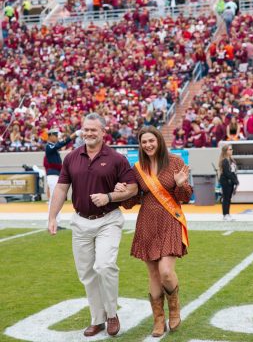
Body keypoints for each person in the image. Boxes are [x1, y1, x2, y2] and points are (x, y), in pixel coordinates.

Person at [48, 113, 138, 337]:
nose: (88, 133)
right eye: (85, 130)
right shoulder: (71, 157)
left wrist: (108, 197)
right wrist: (52, 217)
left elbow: (133, 188)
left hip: (108, 220)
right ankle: (97, 319)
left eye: (93, 130)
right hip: (80, 222)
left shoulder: (116, 158)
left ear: (103, 132)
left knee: (105, 266)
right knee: (87, 274)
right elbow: (61, 189)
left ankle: (111, 314)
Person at [115, 125, 192, 337]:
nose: (148, 145)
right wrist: (123, 192)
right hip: (147, 222)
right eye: (144, 142)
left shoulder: (175, 161)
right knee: (153, 273)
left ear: (159, 141)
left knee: (166, 272)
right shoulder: (138, 169)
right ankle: (158, 320)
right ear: (140, 145)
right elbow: (132, 202)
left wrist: (180, 185)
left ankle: (174, 309)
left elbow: (185, 197)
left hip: (169, 220)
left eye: (151, 140)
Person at [44, 128, 77, 226]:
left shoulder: (51, 146)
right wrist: (72, 136)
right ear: (50, 136)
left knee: (55, 199)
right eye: (55, 135)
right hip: (53, 175)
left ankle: (56, 222)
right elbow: (59, 145)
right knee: (54, 200)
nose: (57, 137)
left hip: (55, 175)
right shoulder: (49, 146)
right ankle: (52, 222)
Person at [218, 145, 239, 221]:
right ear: (226, 151)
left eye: (231, 149)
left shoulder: (231, 160)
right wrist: (235, 180)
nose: (231, 150)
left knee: (229, 198)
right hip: (226, 181)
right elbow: (227, 173)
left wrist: (235, 180)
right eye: (230, 149)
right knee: (226, 198)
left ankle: (228, 214)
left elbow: (233, 171)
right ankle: (225, 214)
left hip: (230, 181)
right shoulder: (225, 160)